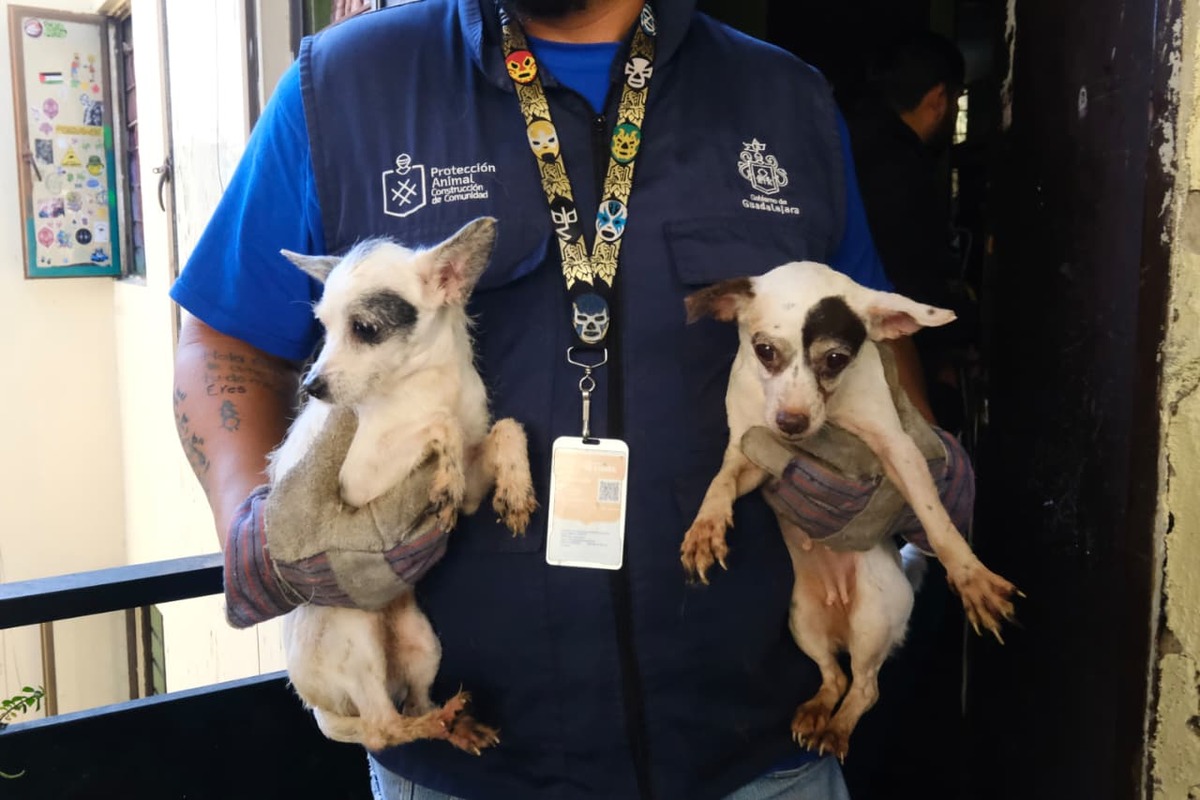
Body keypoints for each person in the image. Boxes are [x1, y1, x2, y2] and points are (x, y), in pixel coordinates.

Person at [169, 1, 973, 797]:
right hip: (468, 762)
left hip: (762, 757)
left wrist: (917, 468)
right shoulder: (343, 85)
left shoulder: (788, 101)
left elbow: (871, 329)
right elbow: (223, 340)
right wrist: (261, 531)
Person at [843, 30, 971, 434]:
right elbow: (911, 276)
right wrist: (952, 345)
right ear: (938, 99)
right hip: (888, 352)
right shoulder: (904, 168)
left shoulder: (838, 138)